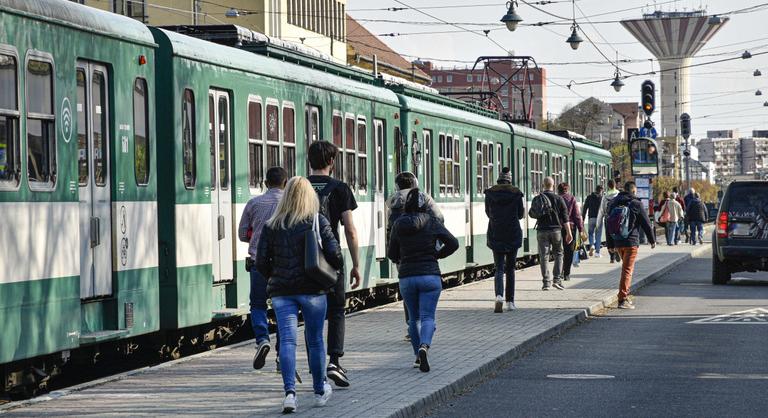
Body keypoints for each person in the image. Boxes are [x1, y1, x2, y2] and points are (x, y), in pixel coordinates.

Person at [255, 177, 343, 413]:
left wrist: (276, 275)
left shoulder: (272, 225)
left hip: (282, 293)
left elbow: (260, 262)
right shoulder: (317, 220)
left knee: (287, 341)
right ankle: (319, 390)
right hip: (313, 290)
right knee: (315, 341)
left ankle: (290, 395)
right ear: (309, 196)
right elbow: (336, 255)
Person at [307, 141, 360, 388]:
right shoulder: (340, 188)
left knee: (310, 310)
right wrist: (356, 264)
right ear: (331, 162)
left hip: (305, 258)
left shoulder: (299, 186)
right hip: (331, 258)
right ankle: (334, 362)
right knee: (336, 309)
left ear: (309, 161)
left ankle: (314, 363)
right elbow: (350, 229)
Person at [388, 189, 459, 372]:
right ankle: (424, 346)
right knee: (428, 317)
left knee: (414, 319)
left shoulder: (398, 224)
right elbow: (453, 243)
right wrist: (437, 254)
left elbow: (392, 253)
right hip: (430, 276)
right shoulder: (432, 221)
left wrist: (402, 258)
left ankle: (417, 357)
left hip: (407, 277)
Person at [238, 166, 288, 371]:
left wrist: (256, 235)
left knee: (258, 305)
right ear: (286, 183)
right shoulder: (291, 203)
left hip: (258, 262)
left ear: (265, 183)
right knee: (283, 307)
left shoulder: (253, 203)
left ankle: (262, 339)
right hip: (283, 264)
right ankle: (282, 355)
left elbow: (242, 234)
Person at [387, 171, 444, 339]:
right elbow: (439, 217)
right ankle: (426, 324)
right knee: (425, 289)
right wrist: (435, 243)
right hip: (425, 252)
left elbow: (390, 228)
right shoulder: (424, 198)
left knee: (408, 290)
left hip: (403, 253)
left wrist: (395, 253)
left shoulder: (392, 201)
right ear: (415, 184)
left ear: (397, 185)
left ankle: (411, 325)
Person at [608, 181, 656, 309]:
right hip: (631, 242)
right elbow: (646, 223)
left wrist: (610, 244)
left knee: (625, 269)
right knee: (627, 270)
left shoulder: (613, 202)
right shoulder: (636, 203)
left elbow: (608, 223)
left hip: (618, 241)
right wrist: (652, 240)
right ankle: (622, 299)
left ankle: (625, 296)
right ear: (634, 191)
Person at [484, 167, 524, 312]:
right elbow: (520, 214)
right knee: (511, 269)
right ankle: (510, 302)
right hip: (512, 233)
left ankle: (499, 296)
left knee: (499, 268)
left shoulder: (490, 193)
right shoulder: (516, 193)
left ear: (499, 179)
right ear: (509, 180)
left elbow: (488, 212)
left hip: (496, 233)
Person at [531, 177, 572, 291]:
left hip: (542, 231)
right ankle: (557, 280)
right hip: (556, 231)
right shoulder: (559, 198)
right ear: (553, 185)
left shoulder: (538, 198)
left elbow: (531, 213)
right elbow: (565, 217)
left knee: (544, 256)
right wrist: (569, 232)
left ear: (543, 185)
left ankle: (546, 283)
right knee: (559, 254)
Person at [558, 183, 585, 281]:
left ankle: (559, 273)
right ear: (567, 190)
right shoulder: (571, 199)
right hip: (570, 227)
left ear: (558, 190)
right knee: (568, 251)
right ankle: (566, 274)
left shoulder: (556, 198)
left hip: (557, 228)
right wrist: (581, 229)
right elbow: (577, 215)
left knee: (558, 251)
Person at [596, 179, 620, 263]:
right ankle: (617, 249)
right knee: (617, 234)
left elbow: (601, 210)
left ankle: (612, 257)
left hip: (608, 218)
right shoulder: (619, 194)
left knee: (609, 236)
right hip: (618, 218)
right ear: (615, 185)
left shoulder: (605, 196)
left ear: (608, 186)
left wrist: (598, 224)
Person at [582, 185, 603, 257]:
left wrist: (583, 218)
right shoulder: (602, 198)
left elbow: (585, 208)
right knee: (598, 235)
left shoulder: (589, 197)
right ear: (601, 191)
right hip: (599, 219)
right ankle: (597, 252)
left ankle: (592, 245)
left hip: (591, 218)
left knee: (591, 233)